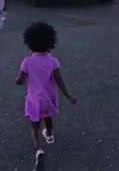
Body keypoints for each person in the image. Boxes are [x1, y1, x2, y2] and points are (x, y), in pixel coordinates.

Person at [15, 22, 77, 169]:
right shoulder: (53, 61)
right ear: (51, 42)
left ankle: (39, 150)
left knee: (34, 127)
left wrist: (18, 81)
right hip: (48, 98)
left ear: (29, 43)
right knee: (48, 118)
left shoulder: (27, 62)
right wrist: (69, 96)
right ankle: (49, 135)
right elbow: (59, 79)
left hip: (34, 99)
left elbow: (20, 79)